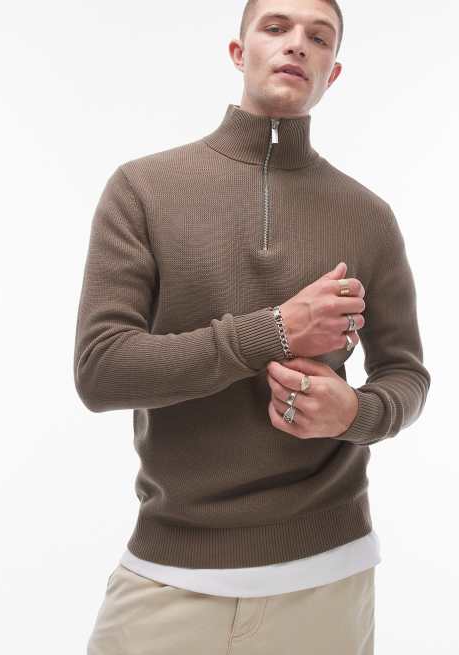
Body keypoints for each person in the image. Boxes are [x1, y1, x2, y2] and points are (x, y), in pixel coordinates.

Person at [73, 0, 431, 653]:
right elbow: (101, 370)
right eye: (275, 27)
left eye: (318, 37)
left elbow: (406, 373)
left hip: (329, 578)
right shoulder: (142, 189)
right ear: (239, 53)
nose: (296, 44)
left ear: (332, 72)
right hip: (170, 575)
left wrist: (356, 412)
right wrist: (275, 330)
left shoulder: (368, 215)